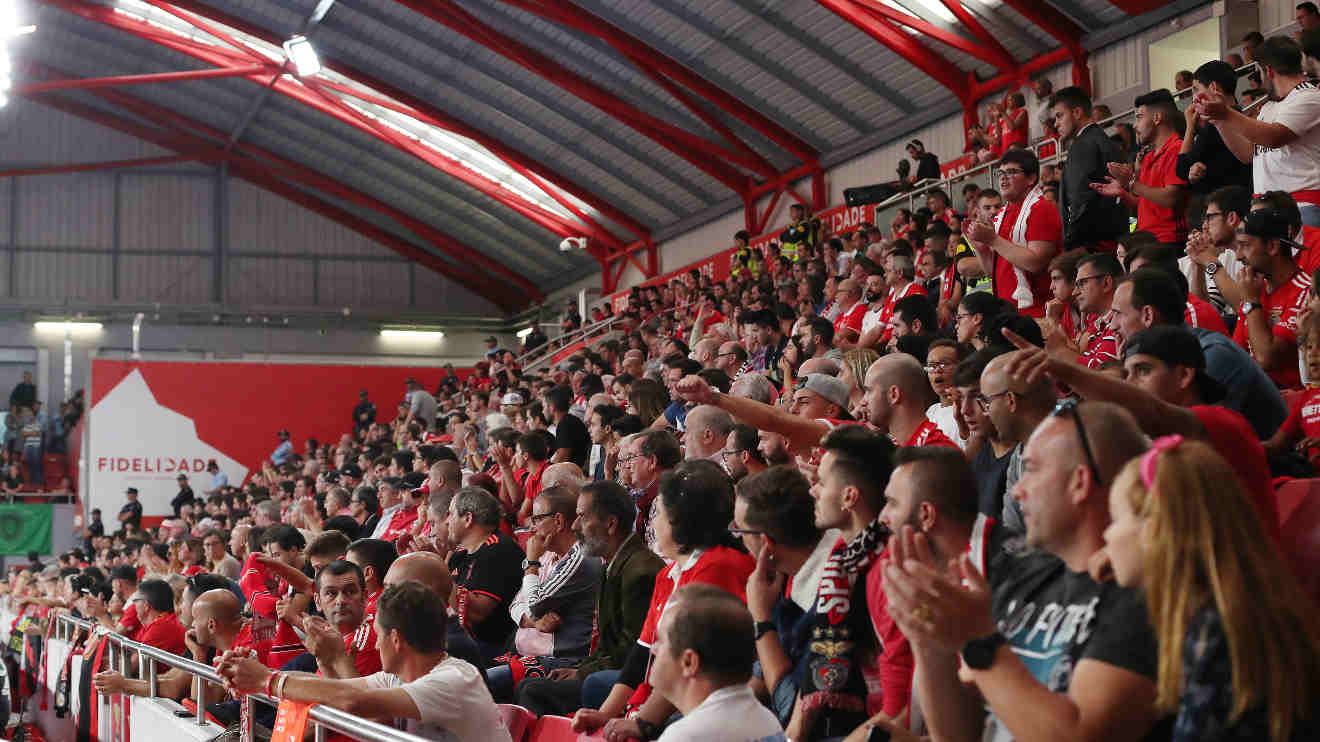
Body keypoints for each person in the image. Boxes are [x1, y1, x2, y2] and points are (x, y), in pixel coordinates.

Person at [883, 401, 1159, 742]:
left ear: (1079, 482)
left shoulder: (1138, 595)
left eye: (1031, 469)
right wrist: (928, 641)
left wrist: (979, 641)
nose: (1017, 489)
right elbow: (959, 736)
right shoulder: (1023, 580)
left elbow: (1081, 736)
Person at [1104, 438, 1320, 741]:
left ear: (1155, 528)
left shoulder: (1217, 633)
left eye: (1114, 519)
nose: (1106, 535)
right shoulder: (1239, 604)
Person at [572, 461, 754, 740]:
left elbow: (693, 665)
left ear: (680, 520)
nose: (654, 521)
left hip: (702, 704)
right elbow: (642, 652)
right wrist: (607, 713)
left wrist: (644, 721)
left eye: (660, 512)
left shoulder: (720, 566)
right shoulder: (668, 573)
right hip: (659, 699)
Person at [216, 582, 512, 742]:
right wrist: (259, 673)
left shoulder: (453, 679)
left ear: (395, 640)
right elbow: (332, 687)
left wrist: (267, 681)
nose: (376, 642)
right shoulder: (400, 677)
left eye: (379, 635)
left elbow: (353, 702)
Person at [514, 480, 665, 717]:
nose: (574, 526)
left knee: (533, 690)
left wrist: (582, 673)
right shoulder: (613, 563)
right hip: (604, 667)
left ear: (611, 524)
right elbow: (608, 647)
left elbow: (630, 652)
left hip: (628, 681)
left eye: (582, 517)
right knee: (528, 686)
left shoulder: (640, 571)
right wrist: (578, 669)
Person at [1113, 267, 1288, 439]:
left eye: (1118, 314)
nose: (1113, 325)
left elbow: (1169, 433)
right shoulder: (1164, 359)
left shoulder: (1211, 354)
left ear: (1147, 316)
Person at [733, 466, 837, 724]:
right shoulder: (785, 571)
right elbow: (759, 680)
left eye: (741, 531)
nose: (737, 539)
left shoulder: (830, 593)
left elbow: (791, 707)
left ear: (766, 543)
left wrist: (761, 619)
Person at [486, 486, 602, 701]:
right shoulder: (548, 555)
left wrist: (531, 563)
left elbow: (534, 604)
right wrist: (534, 622)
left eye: (537, 519)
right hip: (526, 652)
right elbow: (515, 604)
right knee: (475, 672)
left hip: (565, 659)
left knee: (487, 683)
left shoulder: (580, 557)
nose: (532, 527)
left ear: (558, 521)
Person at [1204, 36, 1320, 227]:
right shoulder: (1269, 107)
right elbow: (1248, 154)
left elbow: (1274, 137)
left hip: (1301, 206)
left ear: (1268, 71)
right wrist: (1220, 120)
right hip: (1265, 208)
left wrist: (1227, 112)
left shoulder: (1309, 96)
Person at [649, 584, 786, 742]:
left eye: (661, 641)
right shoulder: (766, 719)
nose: (654, 649)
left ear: (689, 662)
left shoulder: (686, 736)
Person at [964, 148, 1062, 317]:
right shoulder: (1002, 215)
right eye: (1000, 172)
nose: (1003, 177)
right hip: (1007, 312)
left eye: (1011, 172)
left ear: (1031, 178)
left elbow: (1036, 263)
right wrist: (981, 248)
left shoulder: (1041, 208)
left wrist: (993, 240)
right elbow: (993, 273)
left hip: (1036, 314)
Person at [1093, 89, 1189, 245]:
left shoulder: (1177, 148)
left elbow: (1171, 198)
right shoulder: (1149, 156)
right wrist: (1123, 193)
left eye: (1139, 117)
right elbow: (1145, 203)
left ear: (1157, 118)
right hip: (1147, 240)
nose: (1135, 125)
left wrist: (1131, 183)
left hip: (1170, 242)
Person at [1232, 208, 1312, 389]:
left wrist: (1252, 302)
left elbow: (1266, 358)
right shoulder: (1254, 288)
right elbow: (1238, 354)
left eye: (1245, 245)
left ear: (1272, 247)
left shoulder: (1306, 291)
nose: (1238, 256)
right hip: (1255, 393)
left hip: (1289, 399)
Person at [446, 486, 525, 664]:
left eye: (450, 514)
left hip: (493, 647)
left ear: (467, 518)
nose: (446, 521)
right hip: (465, 641)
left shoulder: (499, 549)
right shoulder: (460, 553)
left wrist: (434, 569)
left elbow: (476, 613)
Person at [1050, 86, 1126, 251]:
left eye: (1059, 116)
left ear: (1077, 113)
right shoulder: (1102, 139)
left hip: (1089, 243)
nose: (1056, 124)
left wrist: (1072, 241)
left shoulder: (1083, 144)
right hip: (1110, 236)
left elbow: (1080, 197)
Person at [1177, 61, 1252, 195]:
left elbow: (1181, 169)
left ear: (1213, 88)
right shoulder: (1241, 118)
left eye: (1196, 89)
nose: (1193, 99)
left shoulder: (1217, 124)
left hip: (1226, 204)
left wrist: (1189, 127)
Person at [546, 385, 591, 470]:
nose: (542, 410)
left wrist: (545, 472)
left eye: (544, 406)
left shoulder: (566, 423)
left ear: (552, 407)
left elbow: (562, 457)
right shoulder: (567, 421)